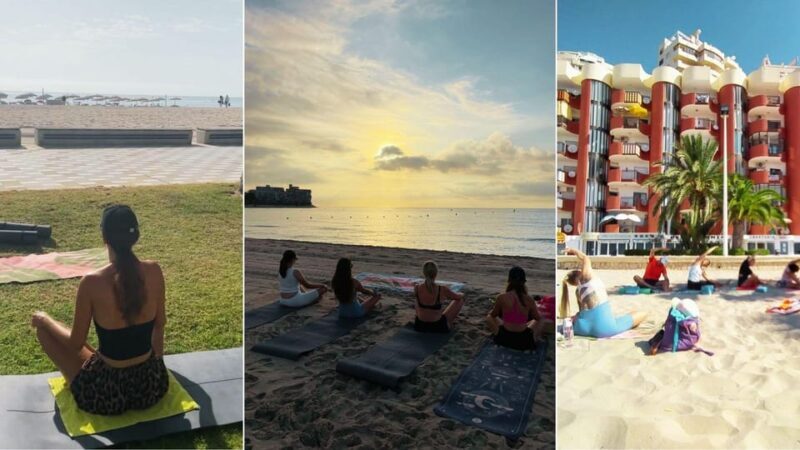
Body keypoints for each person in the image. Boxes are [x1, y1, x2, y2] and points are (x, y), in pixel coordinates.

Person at [30, 205, 168, 415]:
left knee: (44, 331)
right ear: (135, 236)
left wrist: (44, 319)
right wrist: (157, 366)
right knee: (101, 350)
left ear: (104, 238)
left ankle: (50, 331)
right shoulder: (154, 271)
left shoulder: (92, 282)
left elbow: (76, 343)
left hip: (104, 393)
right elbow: (160, 326)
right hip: (151, 387)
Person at [561, 248, 646, 338]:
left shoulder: (578, 291)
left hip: (581, 328)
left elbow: (582, 312)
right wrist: (573, 250)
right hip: (604, 328)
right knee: (642, 313)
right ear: (579, 272)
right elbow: (586, 258)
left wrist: (575, 317)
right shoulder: (586, 276)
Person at [486, 267, 544, 350]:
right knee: (541, 318)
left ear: (509, 281)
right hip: (524, 342)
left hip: (504, 339)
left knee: (489, 317)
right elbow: (537, 318)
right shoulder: (529, 299)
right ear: (524, 282)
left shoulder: (501, 297)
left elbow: (493, 315)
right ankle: (535, 338)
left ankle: (499, 333)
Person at [413, 261, 465, 333]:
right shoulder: (442, 289)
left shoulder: (416, 287)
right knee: (460, 300)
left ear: (424, 273)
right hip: (438, 327)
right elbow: (458, 297)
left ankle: (427, 316)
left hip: (419, 326)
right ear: (436, 274)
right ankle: (445, 321)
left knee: (417, 300)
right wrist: (461, 294)